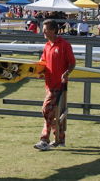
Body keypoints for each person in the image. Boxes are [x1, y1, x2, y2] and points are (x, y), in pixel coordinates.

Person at [34, 19, 76, 151]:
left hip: (59, 85)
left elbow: (72, 63)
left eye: (45, 29)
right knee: (51, 112)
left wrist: (66, 73)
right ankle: (60, 138)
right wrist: (40, 71)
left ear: (53, 30)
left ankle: (44, 140)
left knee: (46, 110)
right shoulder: (47, 46)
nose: (43, 32)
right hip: (49, 84)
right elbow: (43, 61)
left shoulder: (64, 45)